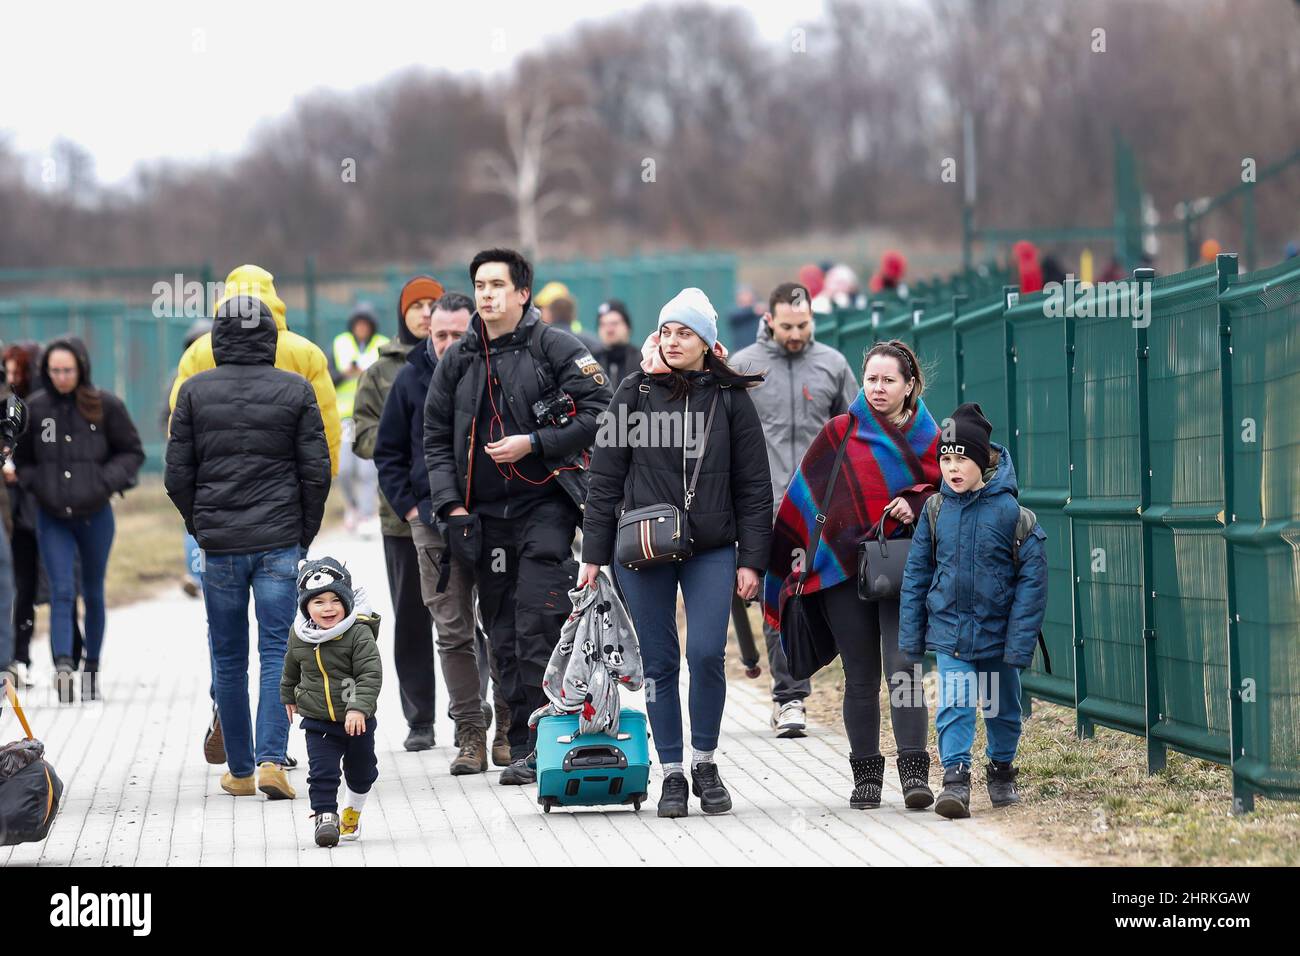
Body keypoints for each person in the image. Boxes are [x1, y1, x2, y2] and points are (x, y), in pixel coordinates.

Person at [579, 288, 772, 818]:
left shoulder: (731, 400)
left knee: (707, 653)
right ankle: (670, 773)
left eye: (685, 332)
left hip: (710, 547)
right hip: (641, 548)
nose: (672, 340)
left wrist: (753, 560)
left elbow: (755, 486)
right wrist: (592, 555)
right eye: (666, 331)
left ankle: (705, 762)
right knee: (661, 663)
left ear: (708, 343)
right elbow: (604, 480)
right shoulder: (632, 394)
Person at [423, 248, 611, 785]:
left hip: (546, 505)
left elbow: (603, 410)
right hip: (483, 518)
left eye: (497, 285)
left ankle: (553, 735)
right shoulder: (459, 358)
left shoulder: (555, 346)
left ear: (523, 293)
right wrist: (451, 506)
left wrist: (536, 442)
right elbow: (434, 437)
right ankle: (525, 745)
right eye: (480, 284)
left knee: (537, 617)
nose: (486, 294)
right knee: (500, 629)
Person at [165, 295, 331, 800]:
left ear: (217, 338)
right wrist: (303, 532)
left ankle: (238, 770)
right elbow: (316, 472)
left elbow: (177, 477)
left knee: (229, 656)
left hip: (220, 546)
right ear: (270, 336)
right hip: (280, 540)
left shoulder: (193, 392)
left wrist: (200, 525)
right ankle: (270, 761)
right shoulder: (295, 389)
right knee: (280, 651)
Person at [763, 339, 940, 811]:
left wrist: (918, 499)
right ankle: (866, 778)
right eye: (871, 380)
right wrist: (786, 567)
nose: (878, 389)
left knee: (904, 669)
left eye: (889, 381)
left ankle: (915, 775)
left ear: (910, 386)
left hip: (905, 569)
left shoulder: (932, 439)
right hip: (842, 571)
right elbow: (802, 500)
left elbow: (955, 488)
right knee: (860, 675)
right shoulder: (840, 432)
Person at [377, 290, 510, 771]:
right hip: (432, 526)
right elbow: (387, 451)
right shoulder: (409, 379)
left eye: (458, 334)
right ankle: (470, 732)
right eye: (440, 335)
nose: (449, 344)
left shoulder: (495, 369)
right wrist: (412, 511)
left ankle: (510, 731)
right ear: (426, 332)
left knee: (501, 626)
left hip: (491, 517)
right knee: (452, 630)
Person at [899, 403, 1048, 819]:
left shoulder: (1014, 516)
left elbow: (1032, 588)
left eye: (962, 458)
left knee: (1002, 708)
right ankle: (955, 778)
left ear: (982, 461)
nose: (953, 467)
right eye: (945, 459)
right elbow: (916, 576)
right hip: (950, 632)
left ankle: (1001, 769)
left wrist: (1018, 646)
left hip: (998, 636)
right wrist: (912, 636)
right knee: (956, 700)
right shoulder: (935, 511)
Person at [730, 281, 858, 738]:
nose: (796, 333)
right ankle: (790, 698)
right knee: (779, 598)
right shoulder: (743, 366)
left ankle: (846, 686)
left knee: (825, 598)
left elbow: (854, 432)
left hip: (822, 505)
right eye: (787, 325)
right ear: (769, 320)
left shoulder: (833, 365)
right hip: (763, 506)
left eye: (804, 325)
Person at [12, 337, 144, 704]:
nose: (62, 377)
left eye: (68, 370)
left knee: (94, 592)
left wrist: (105, 481)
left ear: (81, 368)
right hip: (52, 516)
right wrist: (37, 484)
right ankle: (64, 667)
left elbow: (131, 451)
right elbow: (21, 460)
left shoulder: (104, 406)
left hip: (95, 515)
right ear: (46, 371)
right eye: (55, 370)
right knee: (61, 591)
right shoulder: (35, 410)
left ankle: (92, 668)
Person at [353, 275, 444, 752]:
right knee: (412, 617)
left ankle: (478, 710)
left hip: (461, 512)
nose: (426, 312)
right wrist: (398, 442)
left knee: (474, 616)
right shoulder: (382, 371)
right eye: (417, 306)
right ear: (403, 314)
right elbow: (363, 431)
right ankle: (419, 718)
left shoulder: (462, 358)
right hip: (401, 515)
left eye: (434, 304)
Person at [170, 264, 340, 476]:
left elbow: (179, 426)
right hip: (285, 484)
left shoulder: (197, 354)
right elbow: (325, 420)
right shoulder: (306, 353)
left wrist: (190, 484)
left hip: (215, 482)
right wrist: (326, 472)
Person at [281, 558, 382, 848]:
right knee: (322, 772)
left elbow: (370, 674)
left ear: (347, 603)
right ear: (305, 607)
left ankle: (353, 808)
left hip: (357, 720)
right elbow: (290, 667)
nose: (328, 608)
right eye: (319, 602)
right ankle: (325, 816)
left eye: (336, 600)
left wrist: (358, 707)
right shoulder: (300, 634)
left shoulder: (358, 632)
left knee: (362, 772)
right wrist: (288, 695)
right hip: (318, 719)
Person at [332, 303, 388, 535]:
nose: (362, 328)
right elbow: (332, 375)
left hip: (371, 416)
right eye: (358, 324)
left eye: (366, 324)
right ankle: (352, 507)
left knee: (367, 470)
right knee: (344, 469)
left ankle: (366, 514)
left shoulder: (382, 344)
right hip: (346, 417)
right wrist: (347, 372)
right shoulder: (340, 342)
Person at [536, 283, 602, 355]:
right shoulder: (590, 342)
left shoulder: (537, 341)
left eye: (542, 308)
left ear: (551, 312)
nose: (540, 312)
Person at [594, 299, 641, 386]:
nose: (609, 330)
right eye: (603, 324)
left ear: (628, 326)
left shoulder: (642, 361)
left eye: (614, 323)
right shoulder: (592, 362)